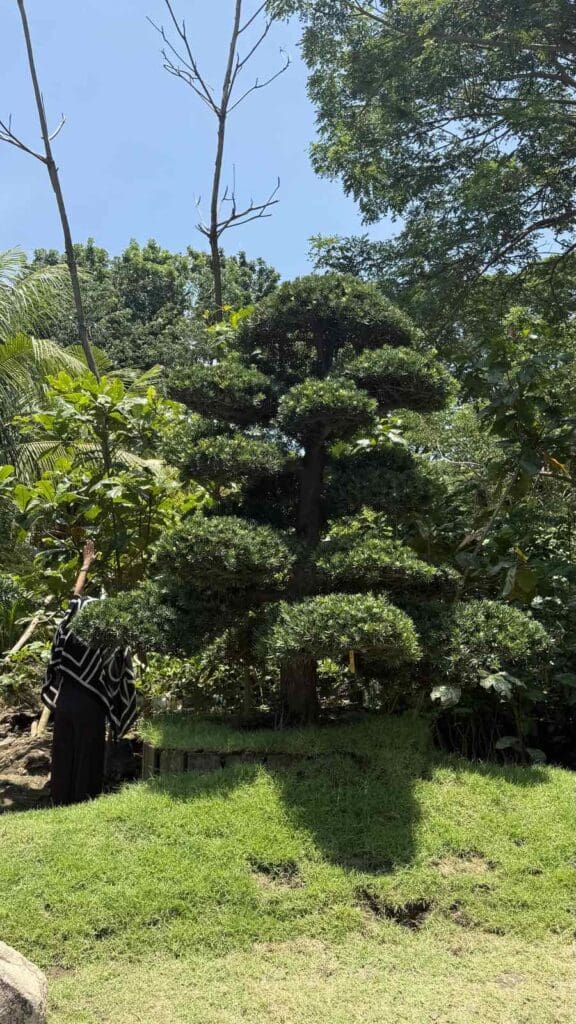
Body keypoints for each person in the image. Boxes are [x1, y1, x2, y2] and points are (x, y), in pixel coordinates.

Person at [42, 541, 137, 806]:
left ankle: (60, 799)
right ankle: (83, 801)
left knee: (63, 752)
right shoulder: (107, 637)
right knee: (89, 754)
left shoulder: (68, 627)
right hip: (91, 703)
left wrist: (85, 565)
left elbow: (75, 597)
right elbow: (121, 672)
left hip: (65, 700)